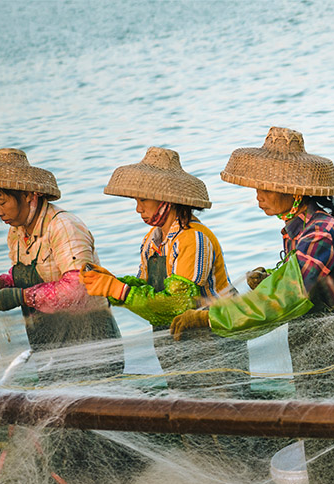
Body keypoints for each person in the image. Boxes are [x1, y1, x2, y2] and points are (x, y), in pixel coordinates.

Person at [170, 126, 334, 484]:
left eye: (265, 187)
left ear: (295, 190)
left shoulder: (321, 230)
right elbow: (305, 285)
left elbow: (287, 298)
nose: (258, 195)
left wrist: (211, 317)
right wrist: (272, 277)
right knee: (323, 444)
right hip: (318, 352)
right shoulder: (295, 232)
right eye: (256, 187)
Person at [80, 146, 250, 398]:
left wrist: (117, 289)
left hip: (214, 342)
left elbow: (179, 303)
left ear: (165, 200)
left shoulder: (194, 239)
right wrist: (111, 281)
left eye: (143, 200)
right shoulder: (152, 240)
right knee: (185, 410)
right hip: (174, 343)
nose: (139, 209)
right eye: (136, 201)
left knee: (224, 412)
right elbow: (144, 288)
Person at [0, 147, 124, 382]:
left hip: (90, 346)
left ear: (29, 195)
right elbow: (33, 277)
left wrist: (21, 297)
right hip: (48, 347)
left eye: (2, 202)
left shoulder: (63, 227)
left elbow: (78, 288)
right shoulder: (16, 232)